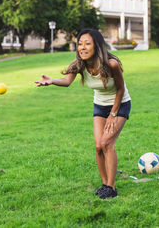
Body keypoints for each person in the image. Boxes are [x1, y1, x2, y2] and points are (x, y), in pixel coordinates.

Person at [34, 28, 131, 199]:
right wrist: (51, 81)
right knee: (98, 146)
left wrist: (113, 114)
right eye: (80, 44)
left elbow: (121, 89)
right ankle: (104, 184)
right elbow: (66, 81)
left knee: (107, 143)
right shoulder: (79, 64)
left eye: (87, 43)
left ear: (97, 46)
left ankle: (112, 187)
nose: (82, 47)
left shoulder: (111, 64)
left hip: (119, 104)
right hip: (100, 105)